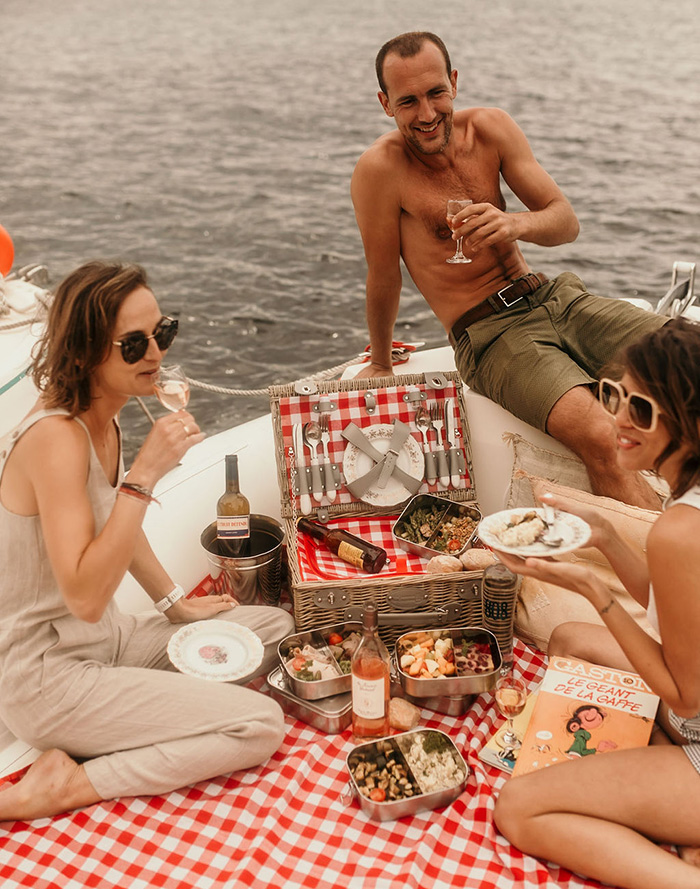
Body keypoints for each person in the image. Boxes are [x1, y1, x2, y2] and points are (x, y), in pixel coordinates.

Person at [0, 260, 295, 821]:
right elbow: (85, 599)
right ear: (86, 354)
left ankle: (121, 709)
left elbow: (112, 523)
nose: (156, 354)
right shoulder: (55, 439)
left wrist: (174, 603)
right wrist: (144, 476)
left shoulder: (102, 417)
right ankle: (70, 784)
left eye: (163, 332)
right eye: (134, 345)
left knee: (274, 628)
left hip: (107, 641)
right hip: (46, 677)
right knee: (258, 724)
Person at [351, 31, 666, 509]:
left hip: (555, 298)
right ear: (385, 103)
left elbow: (565, 222)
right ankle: (666, 556)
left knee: (687, 356)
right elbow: (382, 277)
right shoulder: (380, 169)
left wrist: (512, 223)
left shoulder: (491, 128)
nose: (427, 113)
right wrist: (380, 360)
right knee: (602, 435)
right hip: (491, 336)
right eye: (408, 101)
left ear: (454, 82)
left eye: (436, 93)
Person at [492, 318, 700, 888]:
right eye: (616, 396)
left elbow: (686, 694)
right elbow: (673, 606)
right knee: (569, 641)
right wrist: (604, 535)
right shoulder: (686, 499)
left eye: (643, 410)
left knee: (519, 807)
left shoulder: (680, 530)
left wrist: (593, 587)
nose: (618, 420)